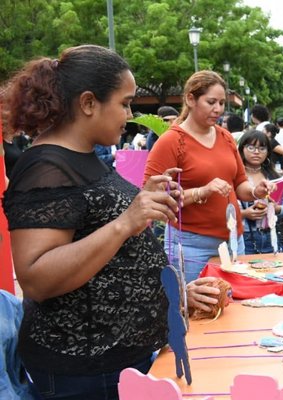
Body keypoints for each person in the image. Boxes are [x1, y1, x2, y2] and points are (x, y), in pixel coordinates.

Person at [1, 44, 183, 399]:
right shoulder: (45, 166)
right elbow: (36, 277)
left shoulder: (82, 157)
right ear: (88, 103)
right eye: (124, 103)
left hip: (116, 360)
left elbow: (95, 235)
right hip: (85, 371)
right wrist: (125, 221)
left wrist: (139, 205)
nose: (129, 114)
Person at [144, 70, 273, 282]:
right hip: (191, 245)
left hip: (233, 239)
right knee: (197, 310)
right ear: (190, 99)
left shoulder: (226, 137)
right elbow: (150, 199)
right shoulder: (171, 142)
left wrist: (255, 191)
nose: (218, 109)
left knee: (235, 304)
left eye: (222, 103)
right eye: (211, 102)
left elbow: (239, 183)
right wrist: (202, 191)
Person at [237, 129, 283, 254]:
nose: (256, 152)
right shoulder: (236, 177)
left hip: (271, 235)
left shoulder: (274, 176)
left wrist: (275, 208)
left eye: (262, 148)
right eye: (251, 147)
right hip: (244, 236)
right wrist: (245, 213)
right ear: (242, 149)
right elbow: (224, 212)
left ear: (268, 152)